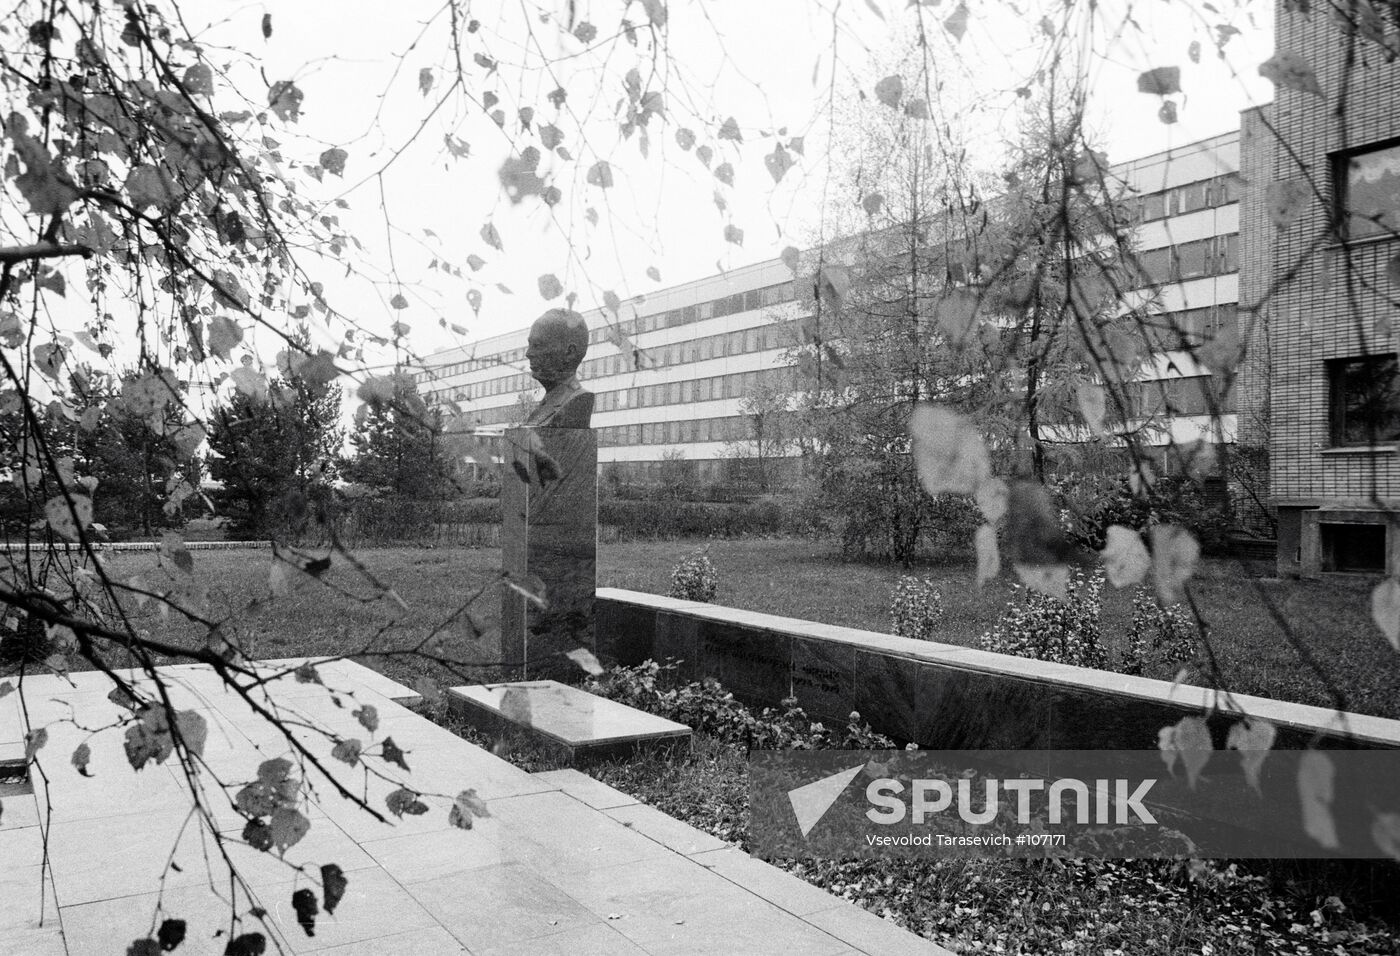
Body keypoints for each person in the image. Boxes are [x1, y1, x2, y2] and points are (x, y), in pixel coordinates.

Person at [523, 308, 594, 428]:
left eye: (537, 345)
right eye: (530, 345)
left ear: (569, 353)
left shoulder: (577, 401)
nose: (528, 353)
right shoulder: (547, 403)